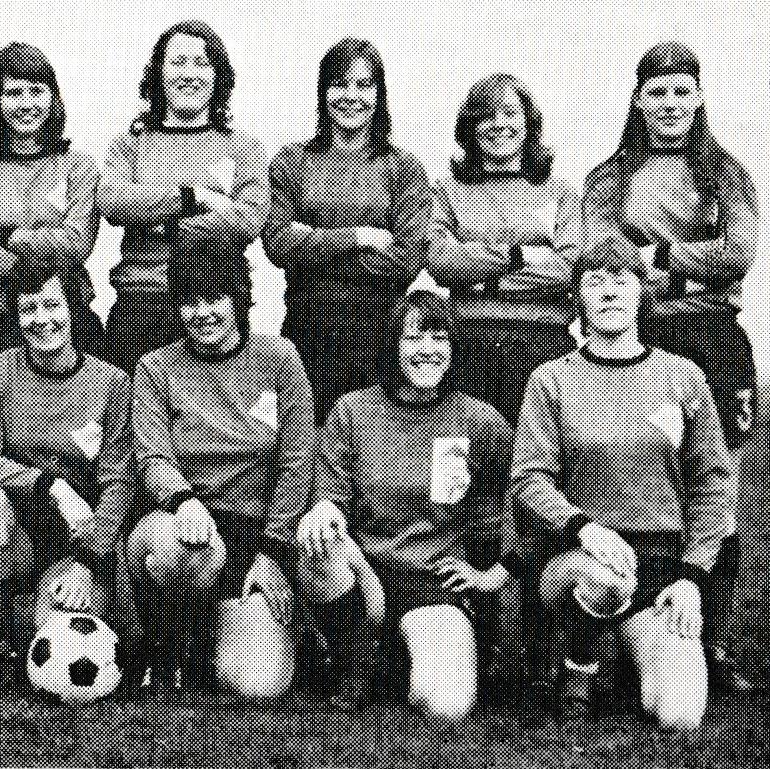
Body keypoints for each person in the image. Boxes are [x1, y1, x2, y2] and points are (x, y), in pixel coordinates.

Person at [582, 41, 758, 692]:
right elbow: (602, 255)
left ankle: (717, 637)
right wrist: (681, 269)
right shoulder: (610, 175)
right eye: (657, 92)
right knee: (640, 477)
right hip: (643, 336)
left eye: (682, 91)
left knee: (718, 483)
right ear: (638, 100)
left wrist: (656, 256)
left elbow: (738, 253)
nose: (670, 104)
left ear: (700, 97)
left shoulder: (725, 172)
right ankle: (620, 627)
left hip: (712, 337)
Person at [511, 236, 734, 730]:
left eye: (621, 279)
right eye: (595, 280)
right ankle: (579, 666)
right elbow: (529, 478)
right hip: (579, 558)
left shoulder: (683, 376)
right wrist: (582, 528)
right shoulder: (551, 379)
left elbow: (714, 482)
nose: (609, 291)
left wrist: (691, 576)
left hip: (659, 562)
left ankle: (630, 655)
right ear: (578, 295)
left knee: (680, 711)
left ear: (642, 290)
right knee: (603, 580)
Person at [426, 73, 580, 683]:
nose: (498, 127)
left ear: (528, 125)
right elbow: (441, 259)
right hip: (470, 348)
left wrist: (487, 264)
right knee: (474, 481)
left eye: (510, 115)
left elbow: (572, 270)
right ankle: (473, 611)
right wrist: (523, 257)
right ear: (470, 129)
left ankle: (543, 634)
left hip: (541, 351)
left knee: (536, 481)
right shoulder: (448, 190)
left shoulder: (557, 191)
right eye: (485, 116)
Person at [301, 290, 515, 724]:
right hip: (361, 573)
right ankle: (354, 658)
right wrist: (325, 510)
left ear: (455, 347)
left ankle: (395, 657)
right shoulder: (353, 411)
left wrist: (493, 573)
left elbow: (516, 506)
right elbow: (330, 496)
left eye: (439, 337)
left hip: (432, 579)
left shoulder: (480, 421)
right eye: (414, 337)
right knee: (318, 535)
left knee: (447, 705)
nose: (427, 349)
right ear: (393, 345)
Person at [125, 241, 314, 694]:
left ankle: (217, 633)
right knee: (175, 547)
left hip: (254, 531)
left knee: (257, 684)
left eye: (214, 298)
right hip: (181, 521)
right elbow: (151, 454)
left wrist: (271, 550)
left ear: (238, 298)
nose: (202, 313)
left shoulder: (280, 359)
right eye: (189, 301)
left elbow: (297, 461)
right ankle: (166, 651)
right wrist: (182, 499)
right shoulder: (155, 367)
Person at [0, 251, 133, 660]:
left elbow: (120, 481)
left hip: (82, 534)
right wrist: (50, 485)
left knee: (63, 639)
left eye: (51, 305)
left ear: (73, 310)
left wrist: (87, 560)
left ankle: (76, 602)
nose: (41, 319)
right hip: (18, 526)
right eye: (28, 309)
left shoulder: (111, 382)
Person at [263, 38, 432, 425]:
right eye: (339, 84)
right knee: (305, 441)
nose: (351, 96)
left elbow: (407, 260)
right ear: (322, 92)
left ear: (379, 94)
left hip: (379, 332)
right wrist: (360, 237)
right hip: (308, 327)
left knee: (372, 442)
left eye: (364, 85)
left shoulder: (404, 168)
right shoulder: (291, 161)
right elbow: (278, 243)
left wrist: (312, 241)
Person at [98, 19, 269, 374]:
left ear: (218, 76)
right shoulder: (129, 145)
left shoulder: (244, 148)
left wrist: (163, 222)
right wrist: (195, 198)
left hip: (217, 307)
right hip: (142, 304)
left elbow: (249, 222)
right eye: (178, 62)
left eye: (201, 63)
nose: (189, 74)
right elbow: (113, 202)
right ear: (158, 73)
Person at [0, 42, 104, 395]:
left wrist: (4, 238)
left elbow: (77, 245)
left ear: (53, 97)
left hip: (67, 319)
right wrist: (46, 245)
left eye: (36, 91)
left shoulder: (78, 165)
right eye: (13, 93)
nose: (26, 103)